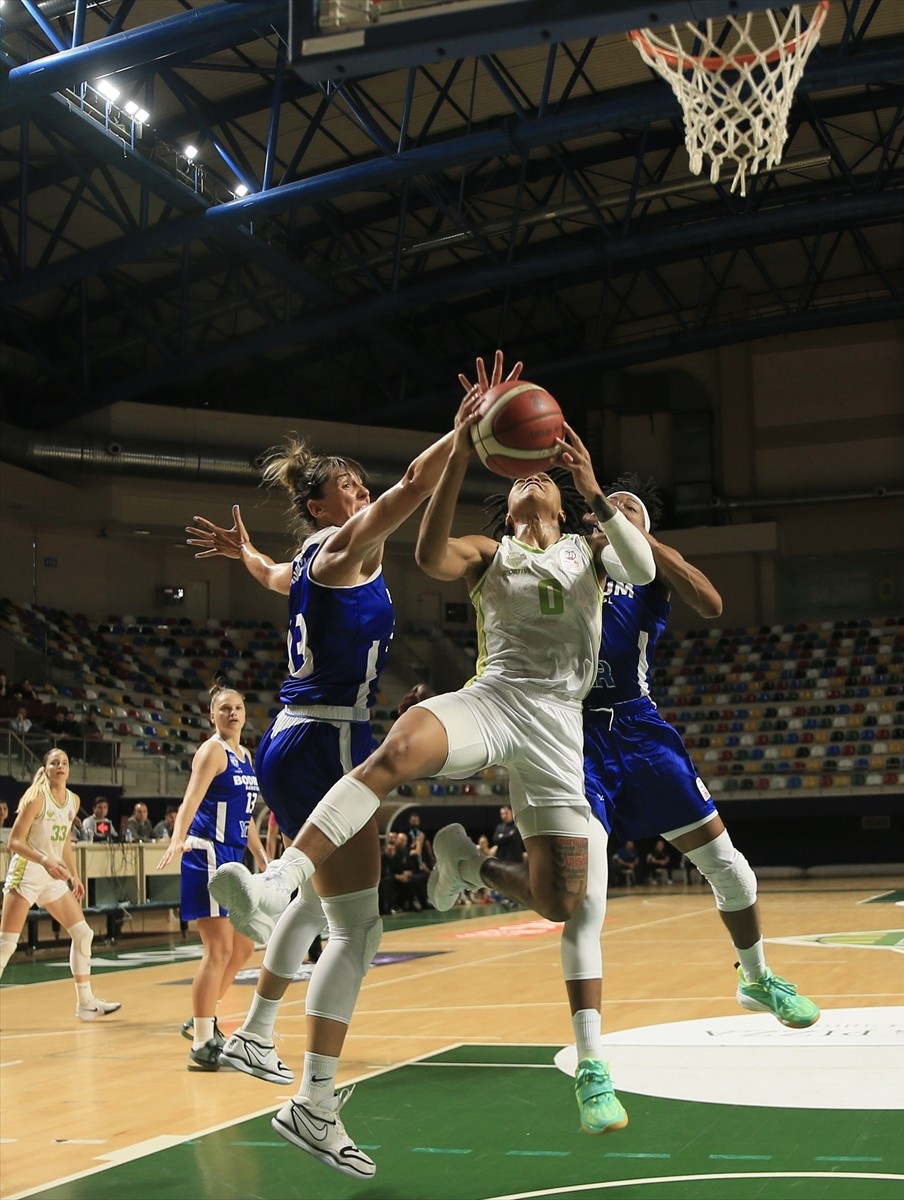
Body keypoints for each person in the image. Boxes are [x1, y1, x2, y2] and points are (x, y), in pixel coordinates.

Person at [208, 372, 656, 1161]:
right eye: (523, 480)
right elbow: (425, 538)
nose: (531, 483)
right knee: (398, 751)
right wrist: (462, 447)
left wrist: (586, 488)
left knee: (561, 900)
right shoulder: (485, 552)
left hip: (554, 729)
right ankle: (275, 893)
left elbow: (643, 571)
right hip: (478, 703)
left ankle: (463, 866)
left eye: (542, 481)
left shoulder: (592, 551)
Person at [192, 354, 517, 1179]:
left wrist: (243, 556)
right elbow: (411, 489)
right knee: (357, 927)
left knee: (328, 902)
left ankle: (259, 1034)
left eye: (357, 484)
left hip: (296, 738)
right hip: (329, 739)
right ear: (319, 503)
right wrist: (465, 430)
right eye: (347, 485)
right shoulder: (340, 547)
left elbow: (271, 574)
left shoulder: (306, 557)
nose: (360, 490)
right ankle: (313, 1100)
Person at [566, 473, 820, 1130]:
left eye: (628, 509)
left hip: (640, 730)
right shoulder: (564, 565)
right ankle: (594, 1065)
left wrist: (646, 540)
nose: (611, 514)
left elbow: (709, 601)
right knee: (580, 899)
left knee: (728, 866)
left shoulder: (647, 577)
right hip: (574, 735)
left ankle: (756, 976)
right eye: (606, 508)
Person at [158, 685, 267, 1071]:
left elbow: (246, 817)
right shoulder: (212, 751)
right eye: (225, 708)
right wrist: (176, 839)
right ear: (212, 715)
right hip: (205, 854)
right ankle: (202, 1042)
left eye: (238, 707)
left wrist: (261, 855)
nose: (233, 713)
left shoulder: (244, 755)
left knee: (242, 950)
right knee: (218, 949)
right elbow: (190, 799)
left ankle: (202, 1019)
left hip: (233, 858)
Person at [0, 747, 121, 1020]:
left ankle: (86, 1004)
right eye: (55, 762)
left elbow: (64, 839)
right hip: (28, 872)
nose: (60, 766)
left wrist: (74, 874)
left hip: (52, 875)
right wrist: (45, 861)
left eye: (65, 762)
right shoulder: (36, 799)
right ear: (46, 768)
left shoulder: (73, 801)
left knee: (83, 933)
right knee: (6, 944)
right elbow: (14, 842)